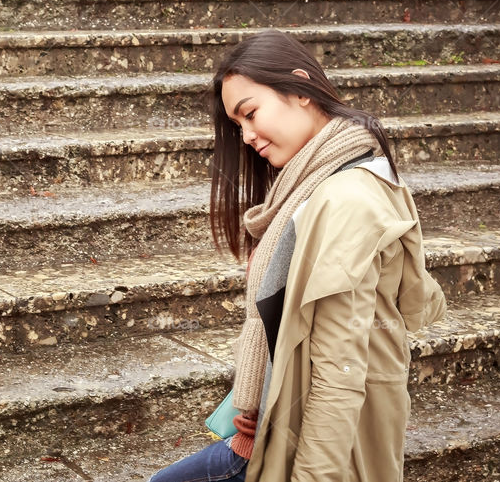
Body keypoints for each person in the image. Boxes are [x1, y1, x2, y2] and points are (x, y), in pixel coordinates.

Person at [149, 29, 447, 482]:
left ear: (301, 89)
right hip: (273, 430)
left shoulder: (344, 199)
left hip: (309, 446)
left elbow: (339, 371)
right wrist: (267, 400)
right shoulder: (323, 182)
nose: (247, 136)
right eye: (238, 125)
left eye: (250, 113)